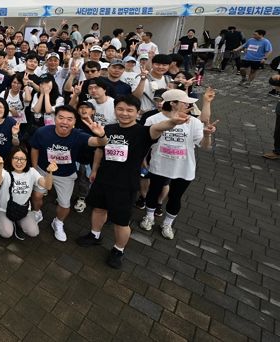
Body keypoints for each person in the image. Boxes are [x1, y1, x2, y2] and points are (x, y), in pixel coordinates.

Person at [76, 94, 192, 269]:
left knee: (121, 221)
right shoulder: (108, 128)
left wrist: (173, 121)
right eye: (120, 109)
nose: (124, 113)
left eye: (130, 110)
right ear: (114, 110)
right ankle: (94, 235)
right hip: (103, 179)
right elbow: (100, 149)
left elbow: (160, 126)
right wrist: (94, 170)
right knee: (99, 208)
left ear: (137, 112)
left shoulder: (144, 132)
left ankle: (118, 250)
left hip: (125, 184)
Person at [140, 89, 215, 239]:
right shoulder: (153, 119)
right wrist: (142, 160)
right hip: (159, 165)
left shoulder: (193, 121)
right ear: (173, 103)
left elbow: (205, 146)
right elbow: (145, 143)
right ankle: (149, 217)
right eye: (185, 102)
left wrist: (207, 135)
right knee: (153, 192)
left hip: (184, 168)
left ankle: (168, 224)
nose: (189, 105)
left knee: (175, 197)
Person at [28, 105, 108, 241]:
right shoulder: (42, 132)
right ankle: (36, 212)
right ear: (55, 119)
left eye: (69, 119)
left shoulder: (78, 135)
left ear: (75, 122)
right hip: (43, 170)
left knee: (65, 204)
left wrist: (101, 135)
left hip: (66, 174)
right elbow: (34, 149)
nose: (64, 122)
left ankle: (58, 222)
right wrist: (35, 168)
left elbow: (99, 143)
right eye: (61, 118)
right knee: (37, 195)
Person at [0, 149, 56, 239]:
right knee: (6, 233)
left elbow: (47, 186)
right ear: (11, 159)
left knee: (34, 232)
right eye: (16, 158)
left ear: (27, 160)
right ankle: (6, 222)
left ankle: (17, 222)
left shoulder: (32, 172)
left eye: (22, 159)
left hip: (22, 209)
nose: (19, 162)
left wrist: (50, 173)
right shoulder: (5, 171)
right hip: (3, 209)